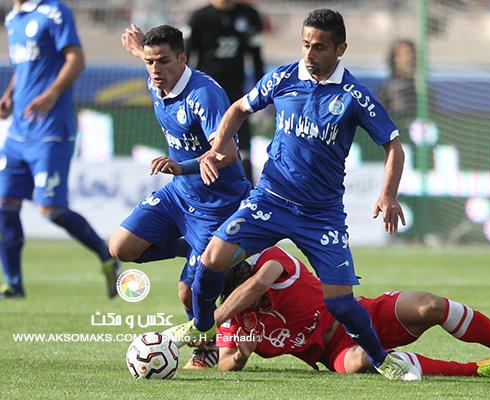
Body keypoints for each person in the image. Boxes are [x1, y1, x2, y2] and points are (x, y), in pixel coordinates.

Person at [165, 9, 419, 381]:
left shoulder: (354, 95)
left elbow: (393, 145)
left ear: (340, 48)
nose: (310, 54)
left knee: (342, 303)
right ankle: (202, 329)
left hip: (321, 214)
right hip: (269, 199)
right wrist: (218, 146)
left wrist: (388, 194)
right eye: (305, 45)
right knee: (212, 258)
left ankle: (381, 358)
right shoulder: (284, 78)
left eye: (319, 47)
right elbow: (238, 109)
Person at [194, 246, 490, 377]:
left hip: (362, 314)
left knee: (431, 305)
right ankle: (478, 370)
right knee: (360, 361)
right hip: (334, 351)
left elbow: (259, 284)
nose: (238, 266)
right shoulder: (236, 320)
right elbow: (227, 360)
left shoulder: (273, 263)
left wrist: (211, 322)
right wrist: (237, 353)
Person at [113, 25, 251, 320]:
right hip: (179, 195)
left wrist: (183, 166)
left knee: (188, 292)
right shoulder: (158, 80)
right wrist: (139, 51)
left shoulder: (205, 95)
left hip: (216, 204)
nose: (154, 69)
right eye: (150, 62)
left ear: (183, 59)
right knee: (121, 248)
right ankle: (190, 247)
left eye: (163, 61)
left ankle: (206, 345)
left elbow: (227, 154)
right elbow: (154, 60)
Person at [0, 0, 120, 299]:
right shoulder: (14, 19)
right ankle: (13, 284)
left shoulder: (54, 11)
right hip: (18, 132)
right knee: (4, 205)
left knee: (51, 210)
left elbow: (76, 59)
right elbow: (24, 66)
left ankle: (106, 256)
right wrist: (10, 94)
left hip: (51, 132)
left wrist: (52, 93)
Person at [184, 0, 265, 182]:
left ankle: (247, 191)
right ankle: (200, 188)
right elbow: (185, 56)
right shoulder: (199, 17)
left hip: (237, 94)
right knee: (206, 146)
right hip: (205, 96)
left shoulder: (249, 15)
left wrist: (264, 96)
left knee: (242, 146)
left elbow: (257, 57)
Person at [377, 39, 417, 117]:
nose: (410, 58)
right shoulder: (387, 89)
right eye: (406, 54)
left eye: (413, 54)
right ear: (395, 59)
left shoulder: (422, 88)